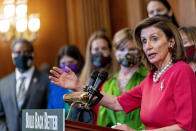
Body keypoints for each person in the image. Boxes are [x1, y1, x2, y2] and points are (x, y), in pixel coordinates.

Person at [49, 17, 196, 131]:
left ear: (171, 42)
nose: (148, 46)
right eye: (144, 41)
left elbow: (186, 127)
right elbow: (116, 102)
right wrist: (80, 86)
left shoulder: (181, 71)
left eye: (154, 39)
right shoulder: (152, 77)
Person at [97, 28, 147, 130]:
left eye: (132, 49)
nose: (126, 54)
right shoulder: (108, 84)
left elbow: (153, 116)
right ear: (115, 52)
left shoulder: (148, 79)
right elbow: (102, 122)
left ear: (140, 51)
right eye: (122, 49)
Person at [0, 38, 50, 131]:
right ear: (12, 56)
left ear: (32, 54)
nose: (22, 56)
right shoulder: (2, 84)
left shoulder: (46, 80)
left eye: (26, 52)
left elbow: (51, 112)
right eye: (18, 53)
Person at [47, 45, 84, 119]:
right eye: (63, 64)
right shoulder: (54, 86)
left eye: (71, 62)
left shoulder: (86, 82)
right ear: (59, 65)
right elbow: (50, 110)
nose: (67, 67)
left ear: (78, 62)